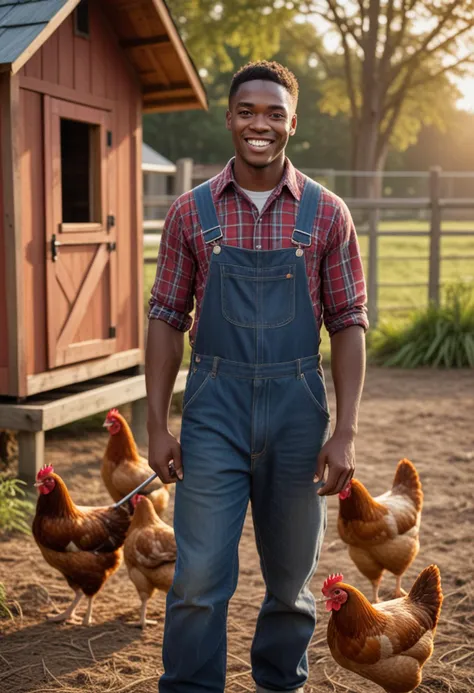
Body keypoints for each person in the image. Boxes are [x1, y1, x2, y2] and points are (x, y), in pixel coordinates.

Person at [146, 60, 368, 693]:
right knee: (195, 581)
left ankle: (280, 684)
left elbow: (349, 322)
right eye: (248, 111)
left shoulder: (327, 215)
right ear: (229, 119)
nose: (260, 124)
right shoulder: (191, 214)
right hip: (214, 407)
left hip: (299, 413)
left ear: (292, 123)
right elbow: (165, 315)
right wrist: (157, 425)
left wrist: (345, 431)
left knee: (294, 585)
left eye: (274, 113)